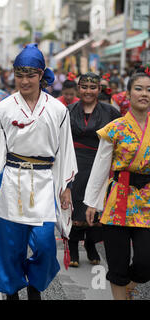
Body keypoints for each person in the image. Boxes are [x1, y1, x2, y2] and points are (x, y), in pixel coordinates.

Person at [0, 44, 77, 300]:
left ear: (41, 75)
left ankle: (35, 284)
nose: (24, 80)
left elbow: (65, 150)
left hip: (44, 181)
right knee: (10, 246)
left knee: (44, 244)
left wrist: (67, 187)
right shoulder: (2, 109)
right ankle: (11, 291)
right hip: (11, 181)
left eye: (30, 75)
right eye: (19, 75)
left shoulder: (58, 110)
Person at [84, 67, 150, 300]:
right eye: (139, 89)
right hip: (118, 200)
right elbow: (101, 166)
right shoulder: (115, 128)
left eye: (149, 90)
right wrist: (92, 203)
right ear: (128, 94)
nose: (144, 94)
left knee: (145, 261)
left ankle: (132, 284)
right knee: (118, 262)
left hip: (147, 201)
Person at [65, 72, 121, 268]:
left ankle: (91, 244)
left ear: (99, 89)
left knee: (97, 208)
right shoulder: (68, 110)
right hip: (74, 164)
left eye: (92, 87)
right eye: (84, 87)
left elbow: (119, 138)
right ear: (78, 88)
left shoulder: (111, 112)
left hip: (100, 165)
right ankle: (72, 247)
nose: (88, 91)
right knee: (74, 207)